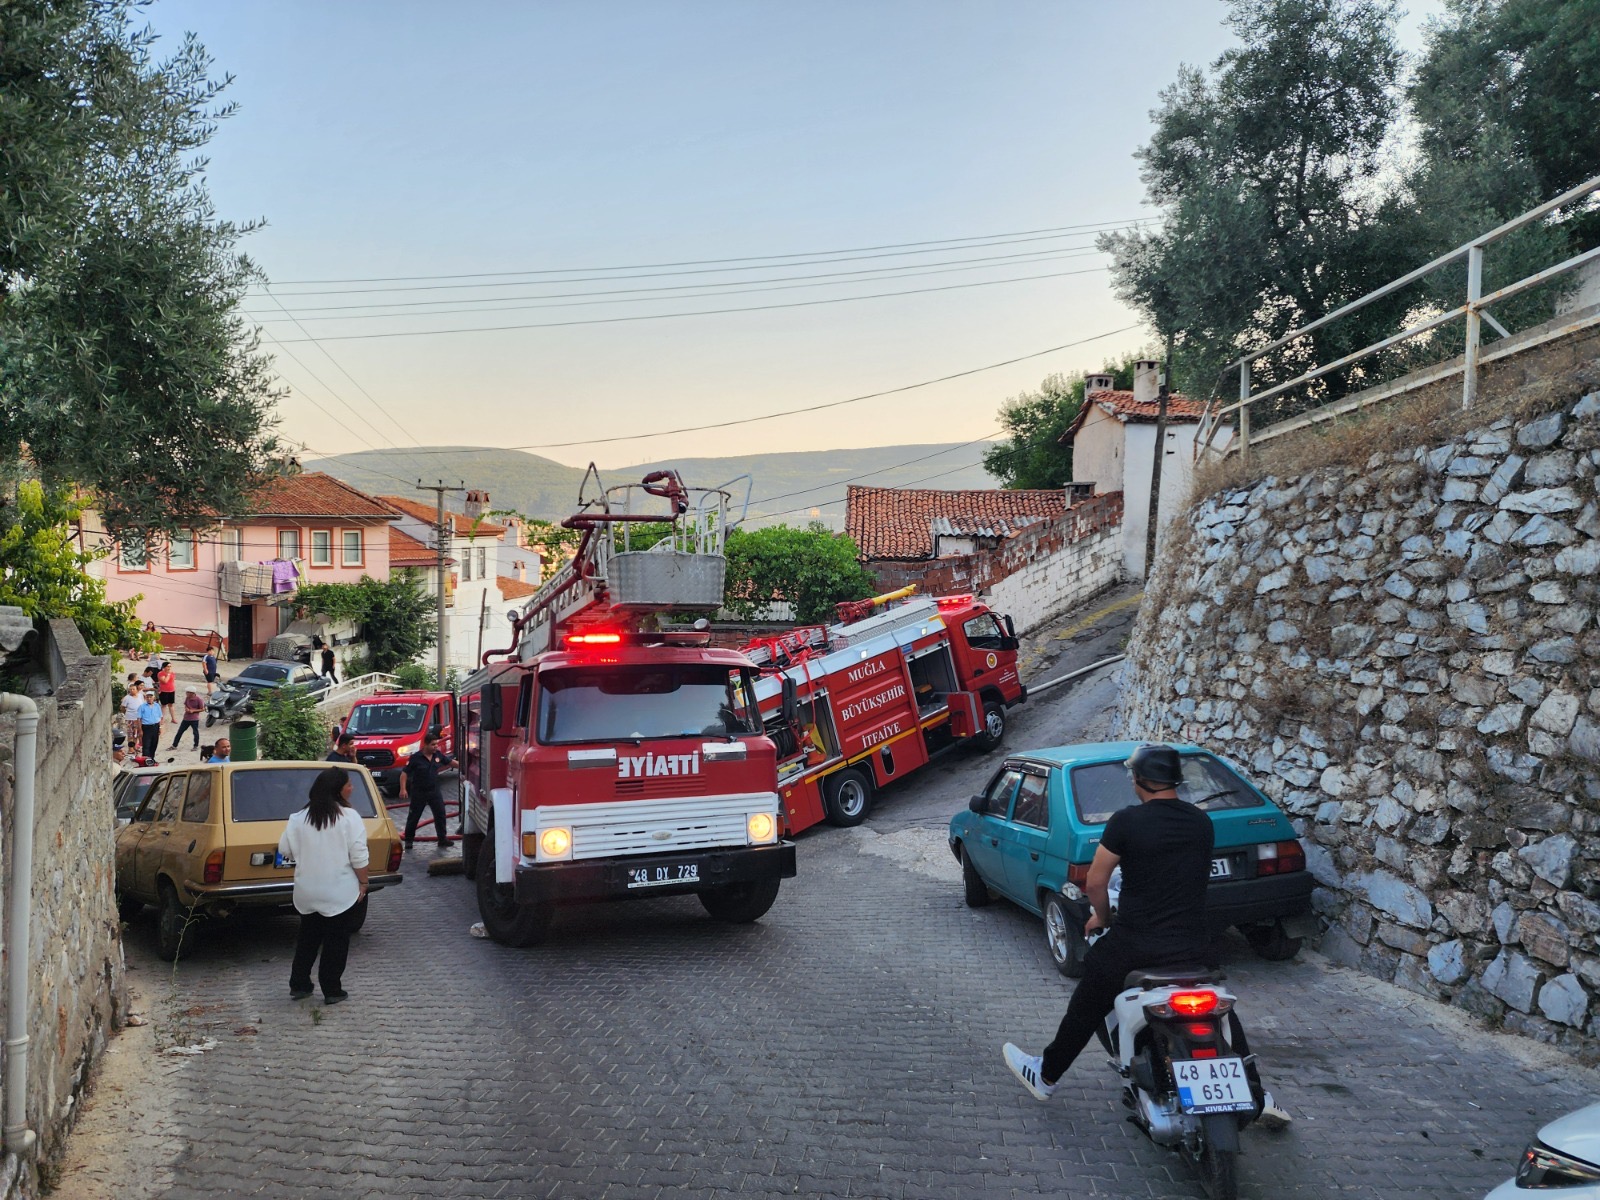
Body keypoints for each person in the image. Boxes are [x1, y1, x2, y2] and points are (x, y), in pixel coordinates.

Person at [1003, 743, 1213, 1101]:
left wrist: (1101, 917)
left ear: (1140, 780)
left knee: (1086, 1004)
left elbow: (1097, 882)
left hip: (1135, 943)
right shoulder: (1201, 822)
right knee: (1219, 1008)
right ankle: (1255, 1088)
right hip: (1193, 942)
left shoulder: (1127, 821)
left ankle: (1047, 1074)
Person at [277, 768, 369, 1004]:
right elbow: (359, 857)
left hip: (306, 891)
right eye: (349, 784)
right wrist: (363, 882)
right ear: (339, 790)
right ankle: (332, 990)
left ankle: (299, 985)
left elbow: (285, 850)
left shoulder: (298, 818)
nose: (352, 788)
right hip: (339, 892)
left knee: (308, 937)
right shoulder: (349, 818)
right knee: (336, 941)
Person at [399, 733, 455, 851]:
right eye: (433, 744)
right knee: (414, 816)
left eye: (436, 744)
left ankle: (442, 839)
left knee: (440, 814)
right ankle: (409, 840)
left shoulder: (437, 755)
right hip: (419, 792)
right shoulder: (415, 758)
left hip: (434, 791)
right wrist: (403, 789)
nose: (435, 747)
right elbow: (404, 773)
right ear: (426, 744)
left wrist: (464, 766)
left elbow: (449, 762)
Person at [136, 689, 164, 760]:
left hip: (155, 726)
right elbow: (139, 719)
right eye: (147, 697)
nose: (149, 699)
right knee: (146, 744)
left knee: (154, 743)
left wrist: (160, 727)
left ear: (153, 698)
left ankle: (152, 758)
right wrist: (140, 730)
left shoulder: (157, 706)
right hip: (146, 727)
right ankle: (145, 759)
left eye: (150, 697)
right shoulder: (142, 706)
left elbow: (160, 717)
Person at [120, 680, 145, 746]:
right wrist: (126, 713)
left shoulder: (140, 696)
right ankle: (131, 748)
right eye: (130, 689)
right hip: (130, 718)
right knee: (130, 734)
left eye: (133, 689)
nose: (132, 691)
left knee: (137, 733)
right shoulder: (127, 698)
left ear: (136, 689)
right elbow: (122, 707)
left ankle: (136, 746)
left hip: (139, 718)